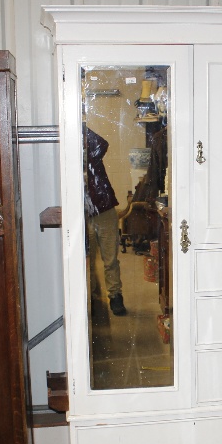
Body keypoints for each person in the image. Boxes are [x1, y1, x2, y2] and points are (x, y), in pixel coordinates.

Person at [84, 126, 127, 316]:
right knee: (87, 261)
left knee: (110, 259)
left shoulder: (93, 154)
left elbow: (102, 144)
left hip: (105, 210)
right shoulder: (66, 159)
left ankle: (115, 296)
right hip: (82, 215)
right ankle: (93, 298)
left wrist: (81, 126)